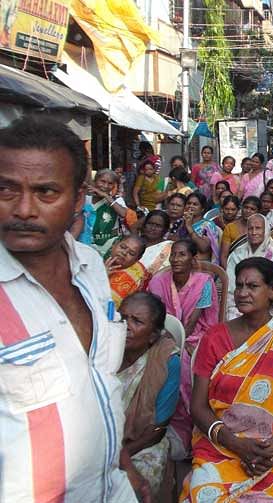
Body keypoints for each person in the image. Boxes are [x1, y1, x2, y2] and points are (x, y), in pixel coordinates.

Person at [0, 117, 139, 500]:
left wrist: (123, 464)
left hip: (110, 487)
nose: (24, 209)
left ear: (79, 199)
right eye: (6, 189)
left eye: (46, 192)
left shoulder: (92, 266)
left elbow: (95, 382)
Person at [184, 257, 273, 501]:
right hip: (222, 443)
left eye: (252, 286)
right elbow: (197, 407)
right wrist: (236, 445)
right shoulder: (214, 337)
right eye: (239, 286)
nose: (242, 293)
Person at [148, 239, 220, 453]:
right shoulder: (158, 282)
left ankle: (185, 426)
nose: (176, 259)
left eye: (181, 255)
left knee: (185, 363)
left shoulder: (204, 282)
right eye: (173, 255)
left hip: (195, 335)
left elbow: (192, 323)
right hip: (163, 334)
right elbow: (158, 318)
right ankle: (157, 420)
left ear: (193, 259)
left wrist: (180, 343)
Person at [118, 292, 180, 499]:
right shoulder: (101, 352)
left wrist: (124, 454)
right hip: (99, 439)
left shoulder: (166, 360)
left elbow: (158, 428)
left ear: (153, 335)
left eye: (136, 321)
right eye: (122, 317)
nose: (126, 325)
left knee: (131, 488)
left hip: (142, 443)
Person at [225, 213, 273, 320]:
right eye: (250, 228)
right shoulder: (238, 253)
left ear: (266, 230)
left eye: (258, 228)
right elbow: (230, 286)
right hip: (239, 302)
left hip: (267, 305)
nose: (254, 232)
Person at [80, 169, 134, 255]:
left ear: (114, 186)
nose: (105, 186)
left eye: (110, 183)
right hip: (87, 244)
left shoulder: (117, 201)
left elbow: (123, 213)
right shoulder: (85, 200)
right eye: (102, 181)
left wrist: (106, 196)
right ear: (95, 182)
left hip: (109, 246)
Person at [106, 235, 149, 308]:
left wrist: (102, 277)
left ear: (137, 259)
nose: (124, 253)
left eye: (131, 253)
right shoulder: (94, 259)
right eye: (122, 247)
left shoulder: (135, 275)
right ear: (115, 244)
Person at [179, 192, 222, 264]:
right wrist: (183, 224)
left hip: (201, 265)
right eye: (188, 203)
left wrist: (189, 227)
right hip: (183, 263)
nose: (190, 206)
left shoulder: (207, 225)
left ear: (202, 209)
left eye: (195, 204)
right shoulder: (182, 221)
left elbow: (204, 248)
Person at [220, 195, 260, 267]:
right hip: (233, 267)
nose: (248, 211)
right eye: (246, 207)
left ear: (258, 212)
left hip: (257, 266)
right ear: (241, 208)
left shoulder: (263, 229)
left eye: (252, 209)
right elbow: (223, 257)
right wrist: (229, 274)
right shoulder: (230, 228)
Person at [138, 209, 174, 276]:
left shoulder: (170, 247)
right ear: (144, 225)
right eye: (150, 224)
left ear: (165, 230)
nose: (153, 228)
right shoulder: (134, 243)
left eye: (158, 226)